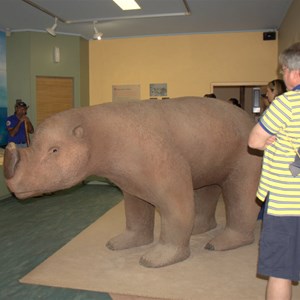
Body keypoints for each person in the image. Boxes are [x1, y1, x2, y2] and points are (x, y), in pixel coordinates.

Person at [248, 42, 300, 300]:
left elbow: (255, 141)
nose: (283, 76)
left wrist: (271, 139)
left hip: (288, 203)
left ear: (295, 73)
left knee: (281, 270)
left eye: (284, 70)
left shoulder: (286, 103)